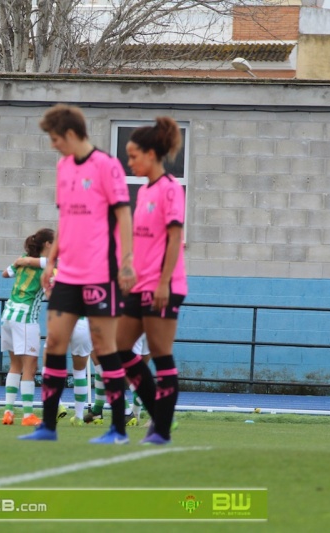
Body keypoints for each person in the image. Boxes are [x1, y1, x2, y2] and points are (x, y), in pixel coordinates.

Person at [20, 104, 136, 443]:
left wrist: (127, 261)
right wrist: (52, 260)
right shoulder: (64, 168)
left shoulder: (106, 166)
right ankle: (48, 427)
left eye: (55, 139)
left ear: (71, 134)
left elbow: (124, 216)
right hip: (67, 274)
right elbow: (66, 220)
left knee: (104, 346)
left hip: (101, 273)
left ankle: (117, 429)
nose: (53, 145)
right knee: (54, 344)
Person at [116, 116, 187, 445]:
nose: (129, 162)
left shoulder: (171, 190)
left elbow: (174, 240)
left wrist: (163, 283)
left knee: (160, 354)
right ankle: (159, 416)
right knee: (120, 348)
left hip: (163, 287)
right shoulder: (144, 191)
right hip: (139, 284)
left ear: (151, 154)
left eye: (133, 156)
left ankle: (160, 429)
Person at [0, 228, 54, 427]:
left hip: (8, 315)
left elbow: (5, 274)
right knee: (29, 367)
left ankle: (8, 412)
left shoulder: (23, 258)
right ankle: (28, 414)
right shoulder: (48, 266)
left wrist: (20, 261)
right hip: (25, 318)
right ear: (48, 244)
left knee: (15, 365)